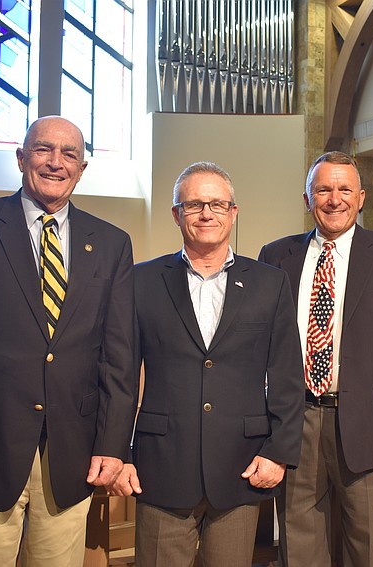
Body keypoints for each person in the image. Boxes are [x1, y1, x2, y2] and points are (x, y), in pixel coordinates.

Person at [0, 116, 137, 566]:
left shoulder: (111, 243)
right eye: (43, 150)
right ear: (20, 158)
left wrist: (113, 445)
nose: (56, 162)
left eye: (69, 153)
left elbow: (120, 358)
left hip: (70, 457)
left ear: (83, 167)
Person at [109, 161, 304, 567]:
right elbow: (121, 374)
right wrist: (118, 452)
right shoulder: (141, 281)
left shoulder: (270, 282)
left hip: (243, 465)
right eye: (194, 204)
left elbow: (286, 375)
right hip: (161, 464)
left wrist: (279, 452)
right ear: (177, 213)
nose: (206, 213)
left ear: (234, 212)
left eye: (217, 204)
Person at [258, 151, 373, 567]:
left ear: (361, 197)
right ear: (307, 198)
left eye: (344, 189)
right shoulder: (275, 257)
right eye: (323, 189)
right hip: (295, 421)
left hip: (370, 429)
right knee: (298, 545)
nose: (334, 198)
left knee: (369, 547)